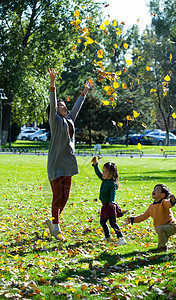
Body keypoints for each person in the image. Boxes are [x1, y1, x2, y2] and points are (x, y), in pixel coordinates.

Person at [46, 68, 94, 240]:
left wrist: (84, 92)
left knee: (65, 198)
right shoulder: (55, 120)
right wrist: (52, 84)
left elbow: (77, 107)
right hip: (55, 163)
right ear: (55, 110)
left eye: (64, 105)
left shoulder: (70, 119)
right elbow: (52, 101)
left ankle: (52, 221)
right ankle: (56, 228)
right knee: (57, 196)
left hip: (68, 164)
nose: (64, 106)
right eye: (60, 105)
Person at [125, 184, 176, 252]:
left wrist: (172, 201)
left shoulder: (163, 202)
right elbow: (143, 216)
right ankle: (163, 248)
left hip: (171, 226)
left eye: (157, 189)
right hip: (162, 228)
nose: (154, 190)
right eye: (154, 189)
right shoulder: (151, 206)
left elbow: (169, 204)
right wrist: (132, 219)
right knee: (161, 237)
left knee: (159, 229)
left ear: (162, 195)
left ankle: (162, 248)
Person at [92, 156, 127, 246]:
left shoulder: (112, 183)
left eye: (105, 172)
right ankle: (107, 237)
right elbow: (98, 173)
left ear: (111, 173)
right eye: (103, 172)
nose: (103, 173)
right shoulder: (104, 179)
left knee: (113, 223)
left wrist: (112, 201)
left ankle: (121, 238)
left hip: (110, 205)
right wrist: (96, 165)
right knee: (102, 222)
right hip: (104, 205)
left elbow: (113, 193)